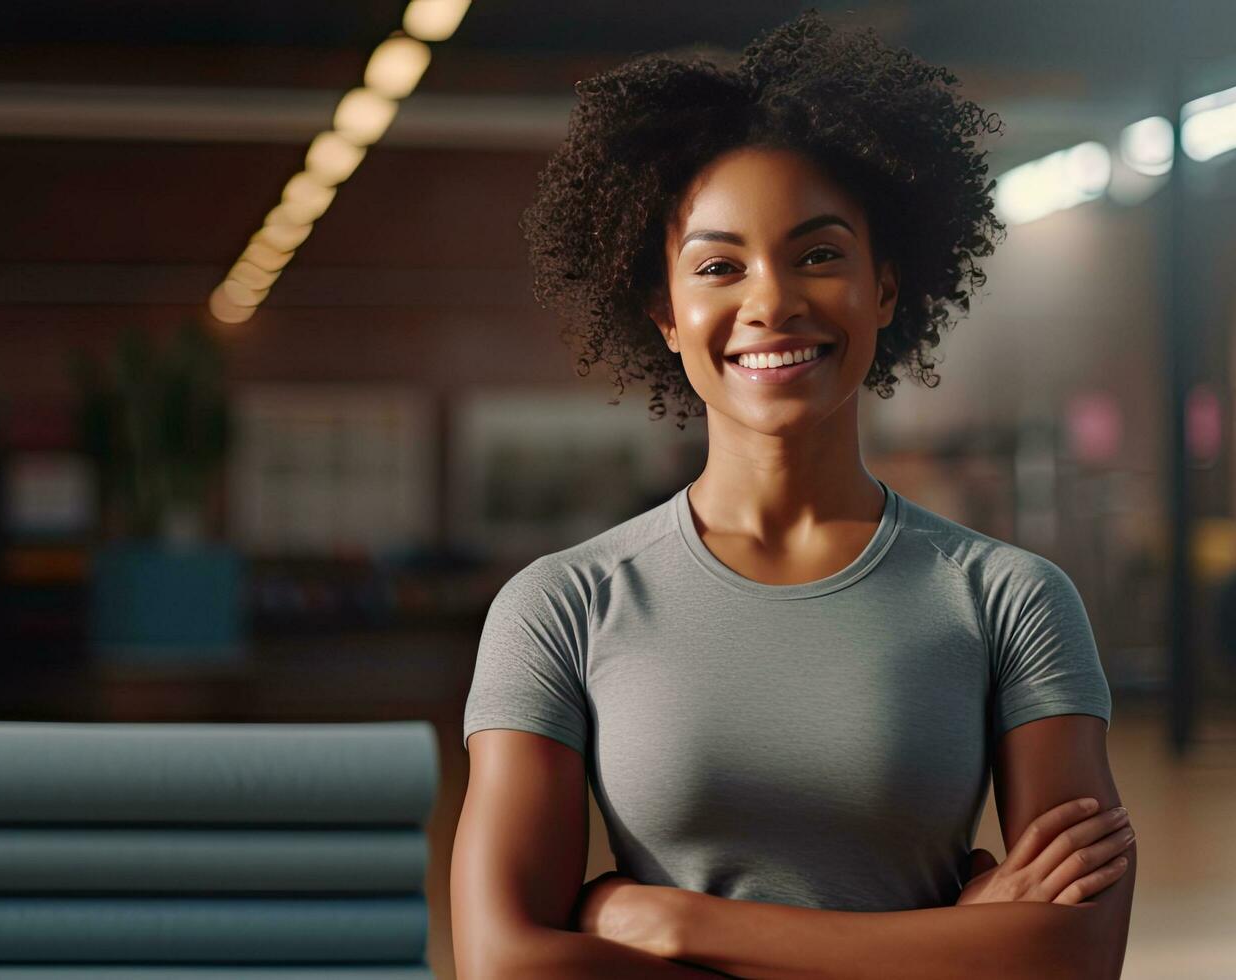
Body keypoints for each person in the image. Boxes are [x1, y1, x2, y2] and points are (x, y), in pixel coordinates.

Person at [451, 13, 1136, 978]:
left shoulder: (1009, 601)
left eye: (817, 254)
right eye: (719, 266)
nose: (770, 301)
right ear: (666, 314)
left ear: (885, 288)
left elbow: (1073, 959)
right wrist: (956, 949)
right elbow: (506, 964)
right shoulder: (560, 609)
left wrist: (677, 927)